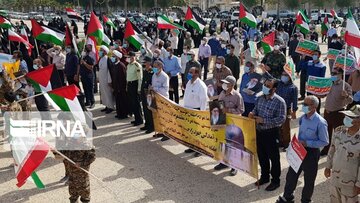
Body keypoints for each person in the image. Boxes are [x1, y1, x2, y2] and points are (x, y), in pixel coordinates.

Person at [276, 95, 329, 203]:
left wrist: (308, 143)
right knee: (291, 175)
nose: (303, 106)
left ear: (313, 107)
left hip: (311, 153)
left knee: (309, 180)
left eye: (305, 104)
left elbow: (325, 141)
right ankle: (288, 197)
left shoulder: (320, 122)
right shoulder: (303, 118)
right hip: (299, 150)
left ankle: (306, 200)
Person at [249, 79, 286, 191]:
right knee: (262, 156)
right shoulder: (260, 97)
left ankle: (275, 181)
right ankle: (265, 177)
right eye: (264, 85)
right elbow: (256, 109)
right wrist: (252, 113)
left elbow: (281, 119)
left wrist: (264, 120)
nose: (265, 87)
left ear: (274, 89)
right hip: (259, 132)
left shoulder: (280, 102)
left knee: (274, 158)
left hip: (271, 133)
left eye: (268, 86)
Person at [324, 105, 360, 203]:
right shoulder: (339, 131)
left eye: (350, 117)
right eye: (346, 116)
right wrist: (328, 166)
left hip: (350, 182)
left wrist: (359, 184)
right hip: (335, 177)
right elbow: (332, 149)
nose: (346, 119)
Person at [214, 75, 245, 176]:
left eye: (226, 83)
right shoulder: (222, 93)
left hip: (234, 123)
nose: (223, 85)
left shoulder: (237, 96)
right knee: (224, 142)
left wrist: (229, 110)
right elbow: (220, 105)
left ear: (231, 85)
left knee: (234, 144)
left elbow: (241, 110)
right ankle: (224, 162)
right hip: (223, 122)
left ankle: (234, 166)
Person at [321, 68, 353, 156]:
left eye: (335, 73)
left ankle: (338, 151)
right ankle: (326, 149)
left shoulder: (345, 86)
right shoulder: (329, 83)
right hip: (327, 112)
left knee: (338, 134)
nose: (333, 75)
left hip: (337, 113)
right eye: (332, 73)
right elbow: (324, 94)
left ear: (341, 74)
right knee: (326, 132)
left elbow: (350, 100)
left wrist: (346, 95)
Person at [183, 67, 208, 156]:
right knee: (191, 130)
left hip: (197, 111)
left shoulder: (201, 85)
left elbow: (204, 100)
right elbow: (186, 96)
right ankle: (192, 146)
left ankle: (200, 149)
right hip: (188, 110)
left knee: (198, 132)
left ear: (196, 74)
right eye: (189, 72)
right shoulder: (189, 83)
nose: (189, 74)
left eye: (191, 72)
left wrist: (201, 114)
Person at [276, 71, 298, 149]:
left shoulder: (293, 87)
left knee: (286, 127)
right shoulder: (279, 84)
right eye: (282, 74)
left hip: (286, 109)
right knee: (278, 126)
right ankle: (280, 142)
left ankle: (287, 144)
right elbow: (270, 78)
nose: (283, 76)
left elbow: (295, 100)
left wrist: (294, 111)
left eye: (286, 75)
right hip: (277, 108)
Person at [151, 60, 169, 141]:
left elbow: (165, 89)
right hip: (155, 98)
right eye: (153, 66)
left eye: (155, 66)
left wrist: (154, 89)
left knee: (164, 117)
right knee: (157, 116)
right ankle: (160, 132)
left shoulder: (164, 76)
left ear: (160, 67)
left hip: (163, 99)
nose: (154, 68)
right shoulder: (154, 75)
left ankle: (167, 133)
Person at [110, 50, 129, 119]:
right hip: (116, 87)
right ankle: (119, 113)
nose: (112, 57)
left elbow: (123, 78)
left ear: (117, 57)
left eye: (113, 56)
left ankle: (123, 114)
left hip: (121, 88)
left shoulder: (121, 65)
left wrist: (120, 87)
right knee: (118, 101)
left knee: (122, 101)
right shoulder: (115, 65)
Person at [127, 51, 143, 126]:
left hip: (135, 84)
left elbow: (140, 78)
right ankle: (136, 119)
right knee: (132, 103)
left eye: (132, 57)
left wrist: (139, 89)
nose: (130, 58)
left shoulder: (137, 65)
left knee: (136, 103)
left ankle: (139, 119)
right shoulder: (129, 65)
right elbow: (128, 77)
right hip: (130, 84)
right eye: (129, 57)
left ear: (134, 57)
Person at [98, 45, 115, 114]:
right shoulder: (101, 59)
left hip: (107, 80)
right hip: (102, 79)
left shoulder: (108, 59)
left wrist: (109, 80)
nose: (100, 52)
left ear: (105, 52)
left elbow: (109, 71)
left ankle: (111, 107)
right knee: (104, 94)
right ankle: (106, 106)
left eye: (101, 50)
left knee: (108, 93)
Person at [140, 56, 155, 134]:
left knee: (149, 110)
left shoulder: (151, 71)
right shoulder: (145, 71)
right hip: (143, 92)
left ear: (149, 62)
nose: (144, 64)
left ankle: (151, 126)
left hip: (149, 93)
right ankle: (147, 124)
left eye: (145, 62)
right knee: (145, 109)